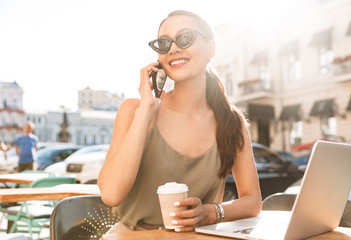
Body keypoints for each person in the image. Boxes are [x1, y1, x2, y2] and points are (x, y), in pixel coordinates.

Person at [98, 10, 262, 233]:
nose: (173, 48)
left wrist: (211, 212)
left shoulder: (232, 123)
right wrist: (147, 109)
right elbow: (110, 194)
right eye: (164, 43)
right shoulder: (134, 110)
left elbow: (253, 202)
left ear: (211, 49)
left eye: (185, 38)